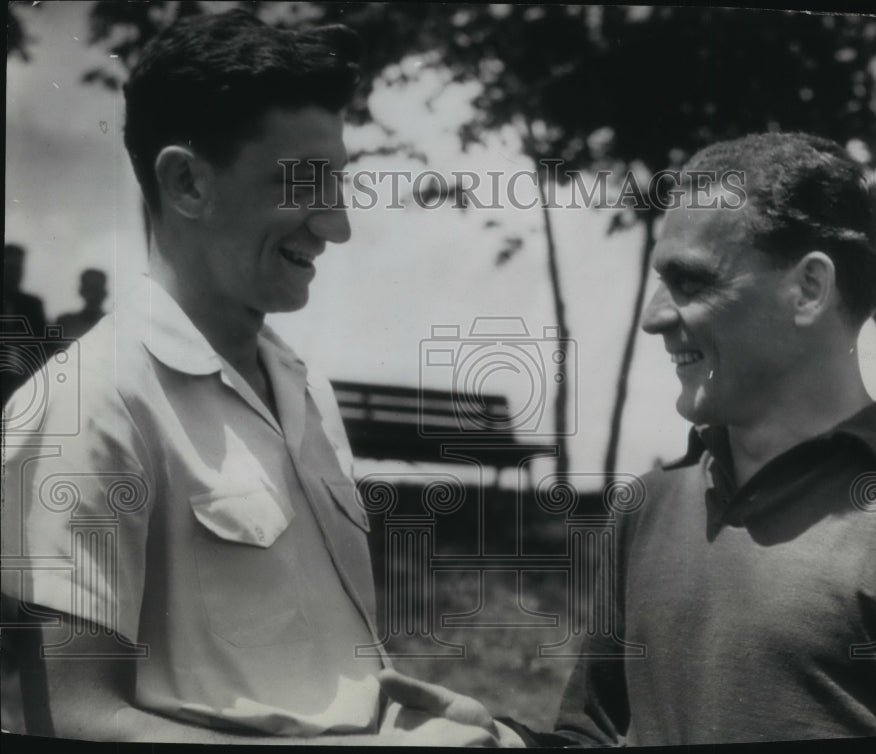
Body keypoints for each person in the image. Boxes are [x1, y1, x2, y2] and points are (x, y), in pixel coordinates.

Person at [379, 133, 876, 746]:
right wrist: (503, 743)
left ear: (808, 288)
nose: (654, 316)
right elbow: (591, 734)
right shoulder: (649, 506)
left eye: (691, 281)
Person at [1, 11, 503, 746]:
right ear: (187, 183)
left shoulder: (303, 389)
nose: (336, 226)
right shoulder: (90, 401)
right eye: (304, 184)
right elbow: (70, 721)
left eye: (338, 184)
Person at [1, 244, 48, 406]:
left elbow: (44, 346)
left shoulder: (33, 305)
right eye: (10, 269)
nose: (15, 275)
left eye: (18, 269)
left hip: (27, 382)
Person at [54, 268, 108, 340]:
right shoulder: (65, 323)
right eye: (90, 289)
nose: (93, 295)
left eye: (96, 289)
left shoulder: (113, 322)